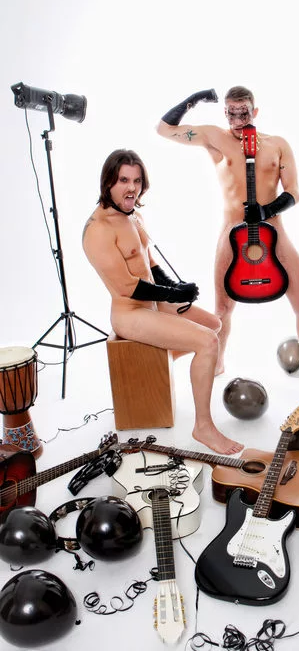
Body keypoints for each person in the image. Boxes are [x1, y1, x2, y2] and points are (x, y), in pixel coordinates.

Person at [156, 86, 299, 394]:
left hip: (274, 231)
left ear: (255, 111)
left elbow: (294, 192)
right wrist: (196, 99)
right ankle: (217, 363)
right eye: (231, 113)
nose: (237, 120)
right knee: (222, 310)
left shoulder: (277, 144)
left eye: (244, 113)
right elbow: (164, 129)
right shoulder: (214, 137)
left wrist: (266, 210)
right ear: (225, 112)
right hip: (231, 233)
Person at [82, 148, 244, 455]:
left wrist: (174, 285)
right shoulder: (98, 230)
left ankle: (162, 363)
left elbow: (150, 263)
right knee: (207, 342)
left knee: (214, 324)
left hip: (153, 303)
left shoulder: (133, 215)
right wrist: (173, 295)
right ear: (108, 183)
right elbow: (127, 286)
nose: (132, 188)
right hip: (130, 313)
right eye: (124, 180)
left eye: (137, 181)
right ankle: (203, 426)